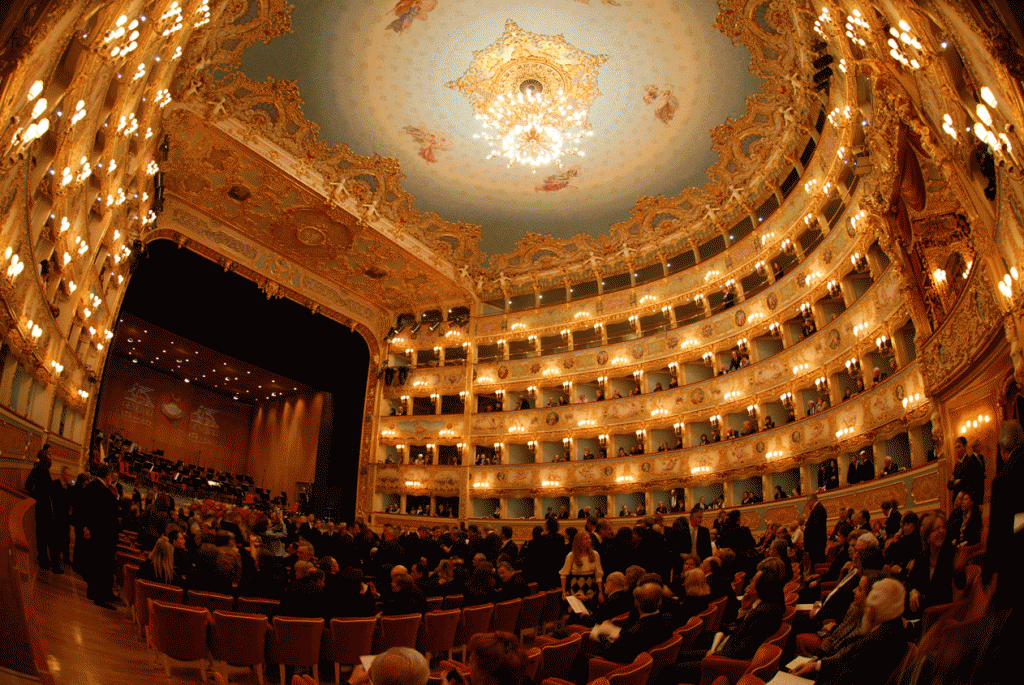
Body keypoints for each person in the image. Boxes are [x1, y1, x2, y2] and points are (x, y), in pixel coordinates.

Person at [790, 578, 908, 685]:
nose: (854, 591)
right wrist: (816, 664)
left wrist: (815, 668)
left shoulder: (878, 638)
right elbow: (848, 658)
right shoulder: (891, 626)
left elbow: (848, 667)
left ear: (875, 607)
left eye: (860, 589)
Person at [80, 465, 121, 608]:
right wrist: (115, 498)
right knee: (102, 565)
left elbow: (85, 507)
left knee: (96, 563)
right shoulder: (103, 490)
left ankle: (96, 592)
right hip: (104, 534)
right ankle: (100, 596)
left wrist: (86, 527)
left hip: (97, 531)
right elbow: (108, 511)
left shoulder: (92, 486)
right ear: (107, 477)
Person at [25, 449, 56, 572]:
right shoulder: (41, 471)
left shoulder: (39, 470)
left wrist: (36, 494)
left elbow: (29, 486)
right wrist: (37, 495)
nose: (51, 458)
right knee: (43, 533)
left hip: (43, 504)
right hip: (43, 505)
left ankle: (44, 558)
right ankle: (43, 559)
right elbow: (29, 486)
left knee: (43, 533)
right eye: (49, 456)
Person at [560, 529, 603, 606]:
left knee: (590, 610)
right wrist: (563, 591)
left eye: (589, 538)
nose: (589, 540)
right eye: (586, 539)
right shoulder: (571, 556)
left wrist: (600, 592)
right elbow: (563, 575)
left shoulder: (595, 554)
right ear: (579, 542)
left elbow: (598, 575)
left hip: (591, 587)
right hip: (576, 587)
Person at [948, 436, 985, 504]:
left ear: (964, 448)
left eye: (959, 447)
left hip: (969, 501)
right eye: (955, 447)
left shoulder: (971, 462)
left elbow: (971, 483)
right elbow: (949, 485)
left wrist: (956, 482)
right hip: (958, 502)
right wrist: (958, 481)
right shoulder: (957, 465)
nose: (957, 450)